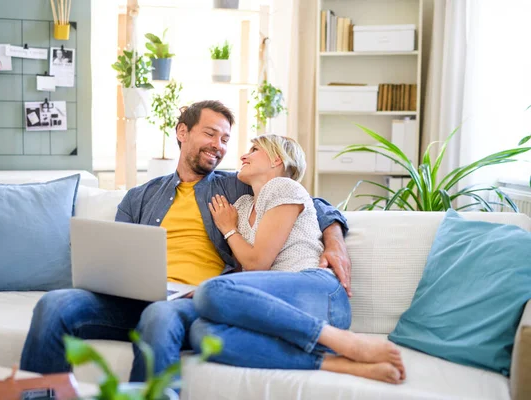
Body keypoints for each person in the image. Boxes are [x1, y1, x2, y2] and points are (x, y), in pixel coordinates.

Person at [20, 100, 351, 382]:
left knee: (159, 317)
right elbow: (116, 254)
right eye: (210, 133)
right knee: (55, 304)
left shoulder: (234, 187)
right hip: (136, 298)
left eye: (225, 138)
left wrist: (334, 238)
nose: (219, 145)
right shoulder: (139, 197)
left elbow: (308, 201)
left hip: (195, 300)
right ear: (182, 132)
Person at [188, 135, 405, 384]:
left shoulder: (284, 187)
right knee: (202, 333)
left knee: (210, 290)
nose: (243, 156)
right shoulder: (242, 205)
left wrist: (229, 230)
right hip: (280, 309)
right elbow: (246, 273)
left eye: (254, 149)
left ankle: (343, 340)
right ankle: (335, 363)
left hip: (316, 292)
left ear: (276, 159)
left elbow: (257, 264)